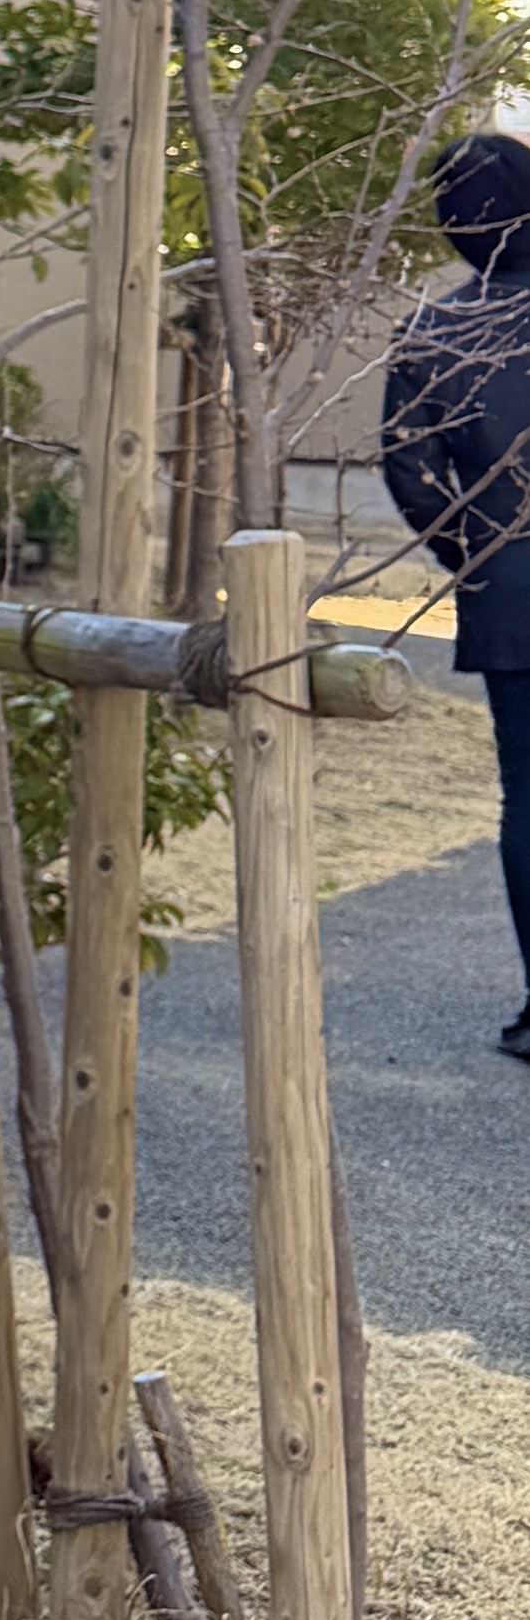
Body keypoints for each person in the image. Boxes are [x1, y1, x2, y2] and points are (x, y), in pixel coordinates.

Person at [381, 128, 530, 1060]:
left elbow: (409, 470)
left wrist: (476, 552)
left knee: (529, 797)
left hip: (508, 592)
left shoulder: (433, 331)